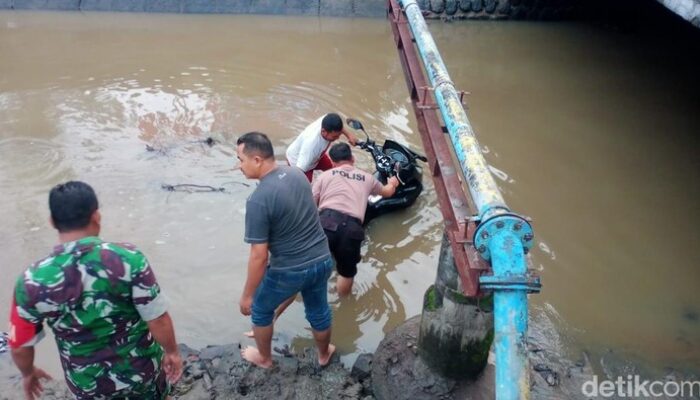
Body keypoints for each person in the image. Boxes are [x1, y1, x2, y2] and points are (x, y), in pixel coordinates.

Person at [8, 181, 182, 400]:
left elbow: (19, 346)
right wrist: (172, 352)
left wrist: (28, 373)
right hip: (142, 372)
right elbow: (157, 318)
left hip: (87, 384)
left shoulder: (31, 281)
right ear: (96, 216)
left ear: (52, 221)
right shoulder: (128, 259)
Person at [236, 131, 336, 369]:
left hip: (291, 269)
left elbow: (259, 256)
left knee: (260, 310)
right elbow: (306, 213)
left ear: (257, 159)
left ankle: (264, 358)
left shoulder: (258, 200)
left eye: (241, 159)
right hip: (322, 259)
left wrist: (247, 295)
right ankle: (324, 353)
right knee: (318, 310)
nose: (239, 166)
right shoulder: (297, 175)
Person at [312, 143, 400, 297]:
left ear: (332, 162)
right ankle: (344, 303)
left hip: (326, 222)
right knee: (346, 273)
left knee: (312, 265)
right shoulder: (367, 177)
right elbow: (386, 193)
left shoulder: (324, 176)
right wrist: (392, 183)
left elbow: (311, 203)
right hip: (351, 229)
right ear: (352, 158)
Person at [286, 113, 358, 182]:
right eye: (335, 136)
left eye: (338, 135)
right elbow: (298, 172)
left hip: (317, 156)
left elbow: (340, 128)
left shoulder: (327, 120)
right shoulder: (311, 146)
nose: (338, 138)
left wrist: (349, 135)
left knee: (334, 169)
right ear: (323, 131)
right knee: (306, 188)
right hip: (299, 163)